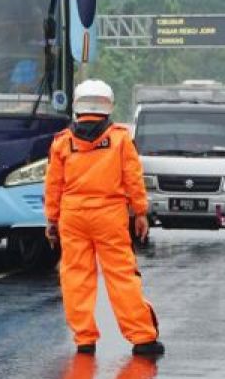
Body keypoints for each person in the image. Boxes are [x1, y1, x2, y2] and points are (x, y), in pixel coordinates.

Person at [43, 79, 164, 356]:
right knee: (121, 276)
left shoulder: (62, 142)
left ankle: (84, 339)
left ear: (77, 105)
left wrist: (52, 220)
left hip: (73, 216)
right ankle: (142, 339)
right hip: (110, 215)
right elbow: (133, 178)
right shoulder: (120, 138)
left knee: (75, 277)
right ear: (108, 104)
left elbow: (53, 185)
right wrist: (140, 212)